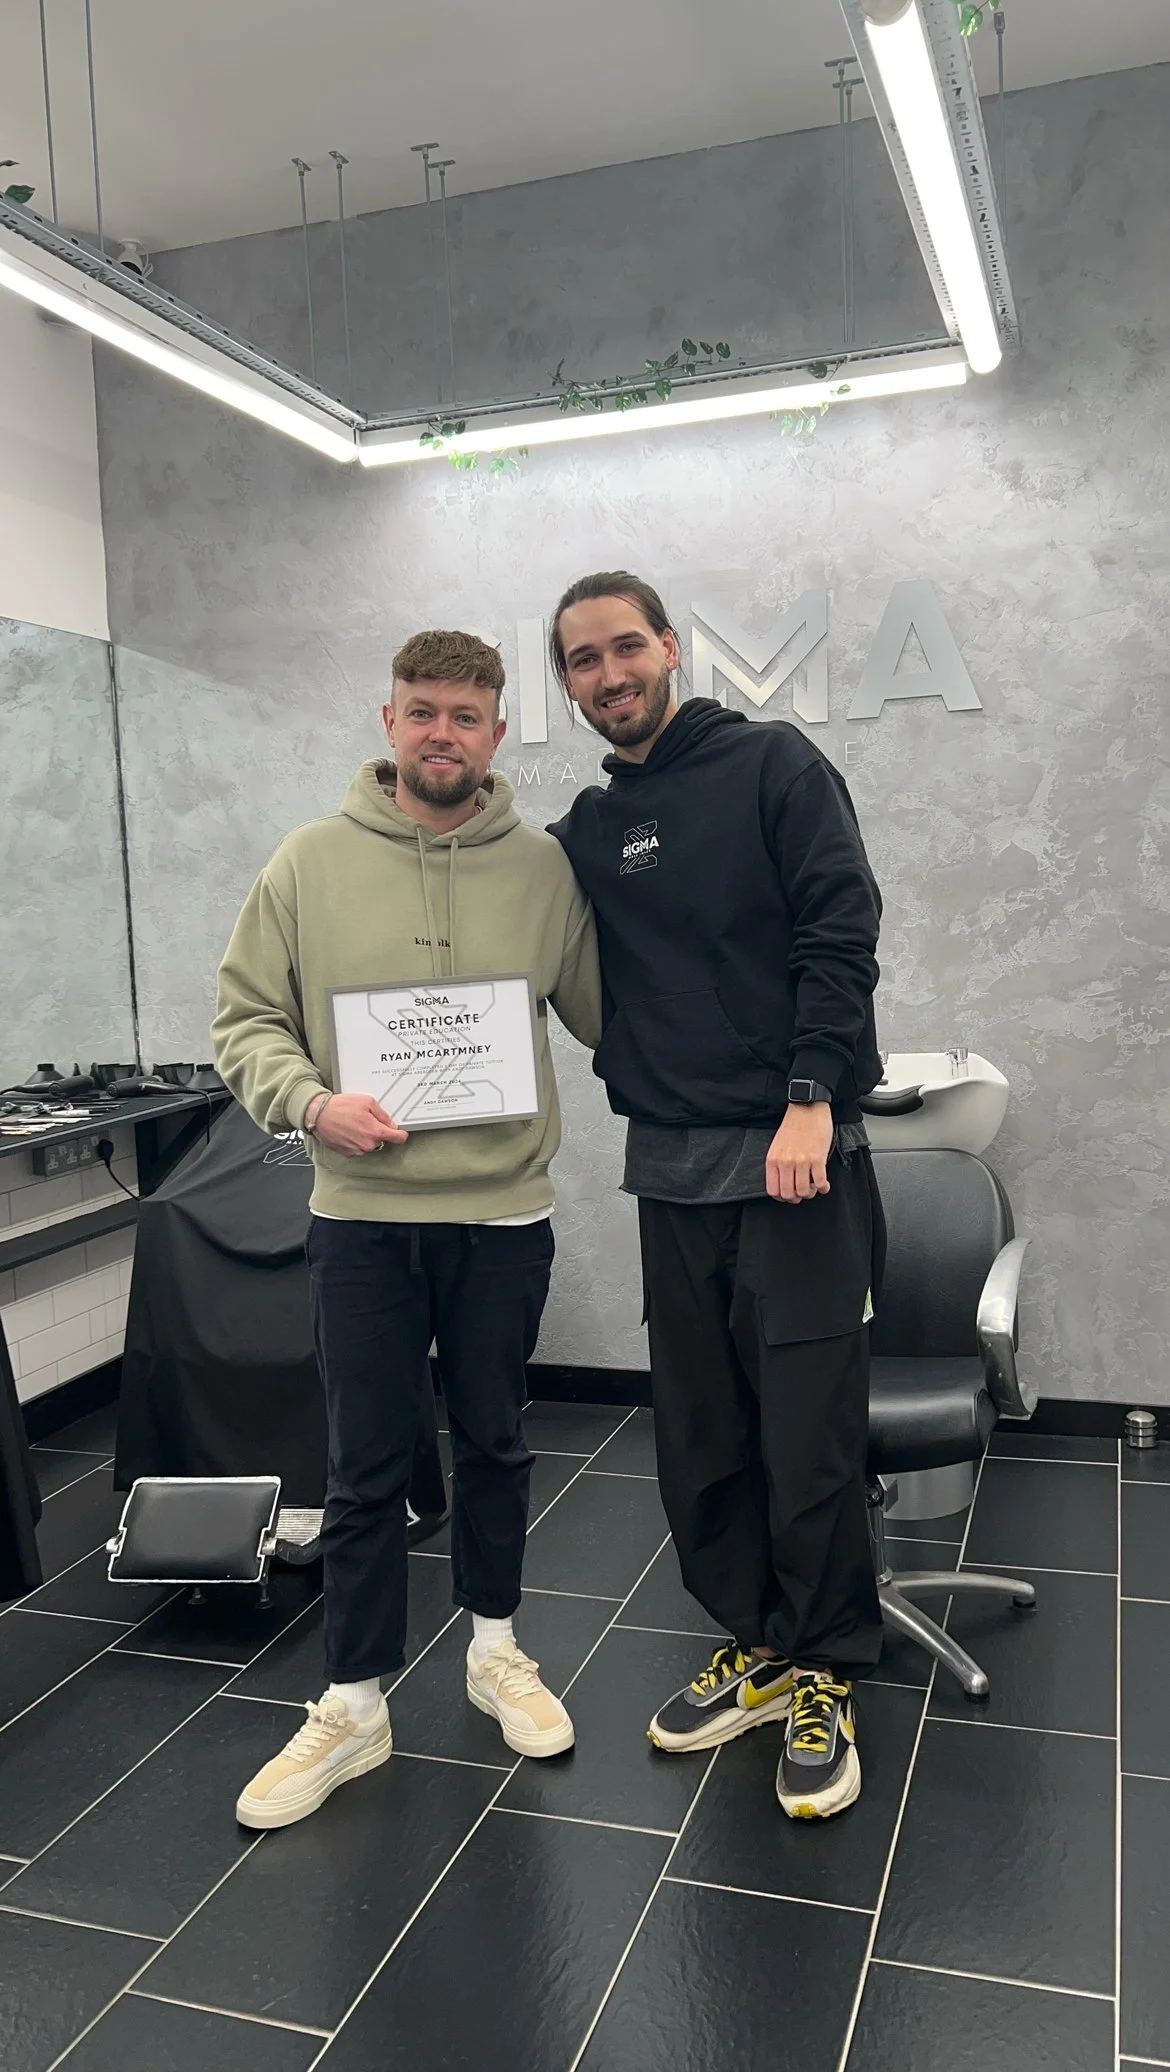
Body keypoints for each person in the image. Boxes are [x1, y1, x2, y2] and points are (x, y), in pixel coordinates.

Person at [212, 628, 601, 1829]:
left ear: (497, 732)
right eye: (421, 710)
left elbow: (607, 1013)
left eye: (467, 715)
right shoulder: (307, 861)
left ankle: (495, 1646)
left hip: (501, 1213)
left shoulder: (542, 869)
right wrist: (313, 1100)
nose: (443, 731)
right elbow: (244, 1022)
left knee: (494, 1437)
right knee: (368, 1462)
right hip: (364, 1217)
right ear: (389, 723)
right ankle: (353, 1700)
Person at [548, 572, 886, 1822]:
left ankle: (829, 1669)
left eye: (625, 645)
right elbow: (490, 895)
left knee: (808, 1435)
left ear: (670, 649)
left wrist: (811, 1093)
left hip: (794, 1156)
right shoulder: (591, 825)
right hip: (672, 1166)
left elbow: (840, 929)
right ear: (570, 683)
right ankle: (754, 1636)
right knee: (702, 1438)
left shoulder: (773, 767)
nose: (609, 672)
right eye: (582, 659)